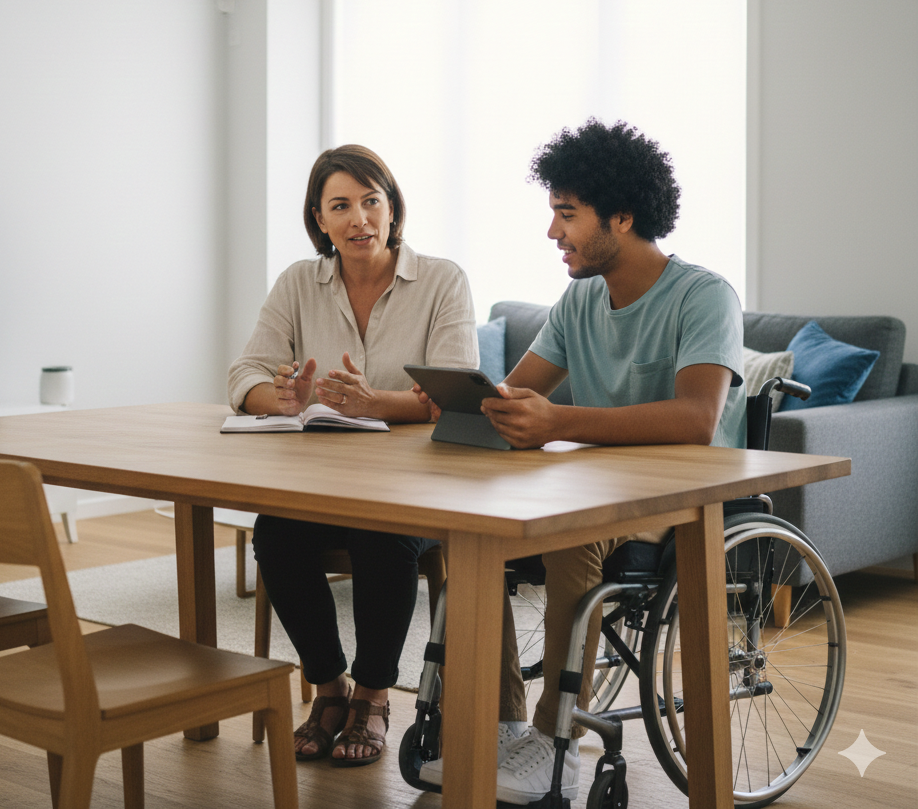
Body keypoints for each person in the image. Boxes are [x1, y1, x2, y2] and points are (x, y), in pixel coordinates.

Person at [416, 119, 745, 804]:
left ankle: (556, 739)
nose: (552, 231)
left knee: (573, 538)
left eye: (566, 214)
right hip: (593, 485)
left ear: (621, 217)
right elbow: (517, 394)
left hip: (680, 497)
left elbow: (696, 418)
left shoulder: (704, 296)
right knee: (466, 529)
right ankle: (500, 724)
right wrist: (468, 401)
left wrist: (558, 421)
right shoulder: (581, 299)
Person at [228, 144, 478, 767]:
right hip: (325, 483)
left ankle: (373, 695)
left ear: (393, 209)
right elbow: (245, 373)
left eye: (371, 201)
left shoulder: (442, 280)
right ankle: (328, 686)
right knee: (275, 534)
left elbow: (455, 395)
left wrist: (376, 403)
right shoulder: (298, 282)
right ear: (320, 218)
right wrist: (281, 398)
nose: (359, 218)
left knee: (381, 535)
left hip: (419, 489)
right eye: (340, 206)